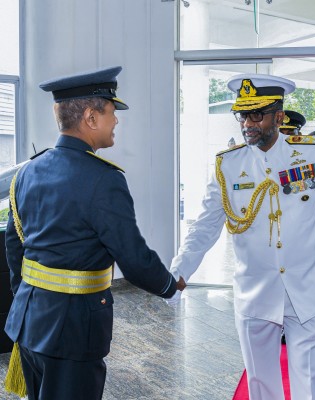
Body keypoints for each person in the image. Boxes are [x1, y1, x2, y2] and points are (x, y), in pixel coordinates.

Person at [4, 66, 185, 400]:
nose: (116, 121)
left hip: (29, 321)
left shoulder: (28, 171)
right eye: (112, 112)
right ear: (90, 117)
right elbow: (133, 258)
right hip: (72, 332)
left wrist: (28, 295)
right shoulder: (104, 179)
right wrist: (169, 286)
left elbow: (15, 246)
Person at [170, 73, 315, 399]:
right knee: (261, 387)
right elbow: (206, 225)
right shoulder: (228, 165)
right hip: (256, 294)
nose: (247, 124)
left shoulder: (311, 155)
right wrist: (180, 270)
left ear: (278, 117)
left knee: (311, 387)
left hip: (310, 290)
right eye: (242, 115)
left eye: (256, 115)